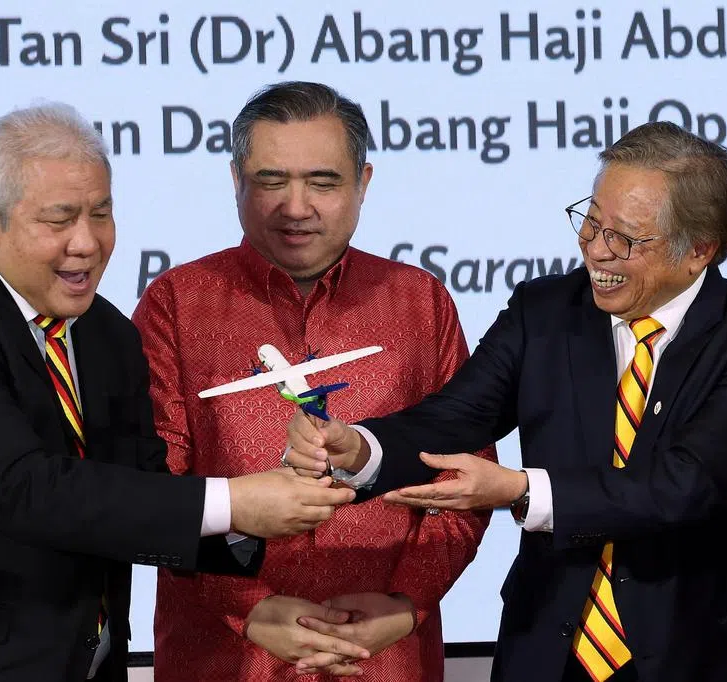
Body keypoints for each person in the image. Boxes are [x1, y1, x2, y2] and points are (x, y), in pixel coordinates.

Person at [0, 103, 361, 682]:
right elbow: (26, 489)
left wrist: (264, 512)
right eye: (59, 219)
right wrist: (234, 502)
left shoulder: (105, 332)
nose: (87, 243)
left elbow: (137, 485)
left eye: (101, 213)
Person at [286, 121, 727, 682]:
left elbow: (686, 485)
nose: (595, 250)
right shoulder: (543, 311)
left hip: (710, 655)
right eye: (591, 221)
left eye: (626, 239)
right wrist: (360, 447)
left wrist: (520, 489)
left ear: (698, 251)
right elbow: (455, 416)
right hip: (552, 651)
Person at [132, 81, 494, 680]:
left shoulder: (420, 303)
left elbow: (465, 478)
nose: (296, 207)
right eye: (271, 181)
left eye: (323, 182)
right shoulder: (176, 304)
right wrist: (246, 607)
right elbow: (154, 492)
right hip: (227, 658)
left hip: (385, 659)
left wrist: (407, 602)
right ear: (235, 181)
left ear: (363, 183)